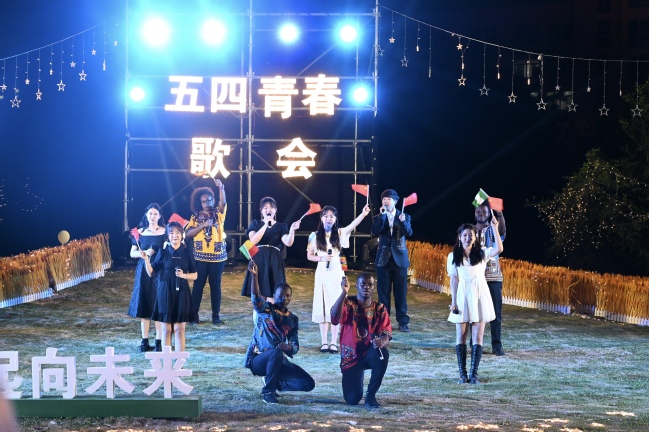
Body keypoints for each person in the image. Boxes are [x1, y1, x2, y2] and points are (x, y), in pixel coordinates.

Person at [244, 261, 315, 404]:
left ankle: (274, 381)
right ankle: (268, 392)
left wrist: (288, 347)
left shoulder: (292, 319)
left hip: (277, 361)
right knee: (276, 353)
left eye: (288, 296)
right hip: (258, 359)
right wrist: (254, 276)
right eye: (281, 295)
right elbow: (256, 297)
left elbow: (295, 345)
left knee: (308, 383)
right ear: (274, 296)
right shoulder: (266, 309)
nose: (284, 298)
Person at [307, 204, 370, 353]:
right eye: (326, 216)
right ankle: (324, 341)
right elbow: (309, 255)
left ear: (335, 219)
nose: (328, 219)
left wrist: (363, 214)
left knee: (336, 306)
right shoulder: (314, 235)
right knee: (323, 305)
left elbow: (352, 225)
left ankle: (334, 342)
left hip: (336, 273)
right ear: (321, 218)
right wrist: (321, 258)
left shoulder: (340, 233)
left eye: (331, 216)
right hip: (322, 273)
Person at [448, 220, 503, 384]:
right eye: (464, 235)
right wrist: (453, 302)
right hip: (462, 296)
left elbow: (499, 249)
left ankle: (474, 374)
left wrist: (495, 228)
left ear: (475, 237)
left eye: (470, 235)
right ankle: (462, 374)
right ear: (459, 237)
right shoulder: (453, 256)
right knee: (461, 336)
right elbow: (453, 280)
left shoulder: (482, 253)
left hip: (480, 295)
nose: (467, 238)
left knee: (477, 337)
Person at [331, 273, 392, 408]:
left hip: (369, 352)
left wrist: (382, 341)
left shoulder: (379, 308)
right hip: (351, 357)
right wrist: (344, 293)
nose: (366, 287)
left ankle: (371, 395)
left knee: (382, 353)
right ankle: (357, 377)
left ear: (374, 287)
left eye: (370, 285)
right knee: (352, 399)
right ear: (356, 286)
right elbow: (334, 318)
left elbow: (386, 333)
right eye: (363, 284)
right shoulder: (348, 304)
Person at [142, 221, 198, 352]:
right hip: (165, 291)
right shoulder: (163, 252)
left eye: (178, 232)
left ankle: (179, 362)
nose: (175, 235)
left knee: (179, 329)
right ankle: (166, 361)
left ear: (182, 235)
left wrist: (183, 275)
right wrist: (146, 260)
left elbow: (195, 275)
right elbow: (151, 273)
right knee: (166, 330)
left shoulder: (187, 253)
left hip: (182, 292)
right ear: (167, 236)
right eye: (171, 233)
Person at [240, 197, 300, 300]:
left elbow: (288, 242)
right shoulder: (255, 223)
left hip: (274, 261)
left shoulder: (281, 226)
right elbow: (253, 240)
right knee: (258, 293)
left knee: (274, 292)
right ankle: (260, 310)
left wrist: (292, 231)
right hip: (259, 260)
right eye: (265, 207)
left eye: (272, 207)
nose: (269, 210)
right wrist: (265, 225)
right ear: (261, 211)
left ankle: (272, 309)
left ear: (275, 210)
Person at [185, 180, 227, 325]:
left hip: (217, 257)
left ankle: (216, 315)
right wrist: (203, 225)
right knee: (198, 285)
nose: (207, 203)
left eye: (209, 200)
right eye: (203, 201)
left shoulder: (218, 214)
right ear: (200, 203)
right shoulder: (195, 217)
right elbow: (188, 233)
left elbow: (223, 203)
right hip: (200, 257)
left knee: (215, 285)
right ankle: (194, 315)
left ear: (213, 200)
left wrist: (221, 188)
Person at [371, 189, 413, 332]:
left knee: (400, 293)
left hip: (400, 259)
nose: (386, 201)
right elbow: (375, 231)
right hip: (383, 259)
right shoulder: (379, 216)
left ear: (395, 201)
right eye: (384, 199)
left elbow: (409, 233)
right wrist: (382, 216)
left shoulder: (404, 216)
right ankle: (384, 321)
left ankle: (403, 322)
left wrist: (403, 222)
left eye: (388, 199)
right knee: (383, 293)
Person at [127, 203, 165, 352]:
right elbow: (132, 253)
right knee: (144, 303)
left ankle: (159, 341)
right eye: (150, 214)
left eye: (155, 214)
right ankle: (144, 341)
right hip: (143, 270)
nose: (152, 216)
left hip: (159, 270)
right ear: (146, 215)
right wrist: (142, 254)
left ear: (159, 216)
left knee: (158, 304)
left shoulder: (165, 231)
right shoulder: (140, 232)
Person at [474, 202, 507, 356]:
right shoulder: (470, 231)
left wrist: (499, 215)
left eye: (484, 212)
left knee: (495, 313)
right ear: (475, 213)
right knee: (475, 312)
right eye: (478, 211)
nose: (481, 214)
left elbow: (502, 231)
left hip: (493, 277)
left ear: (489, 213)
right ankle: (474, 343)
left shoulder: (493, 229)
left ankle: (496, 345)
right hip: (476, 277)